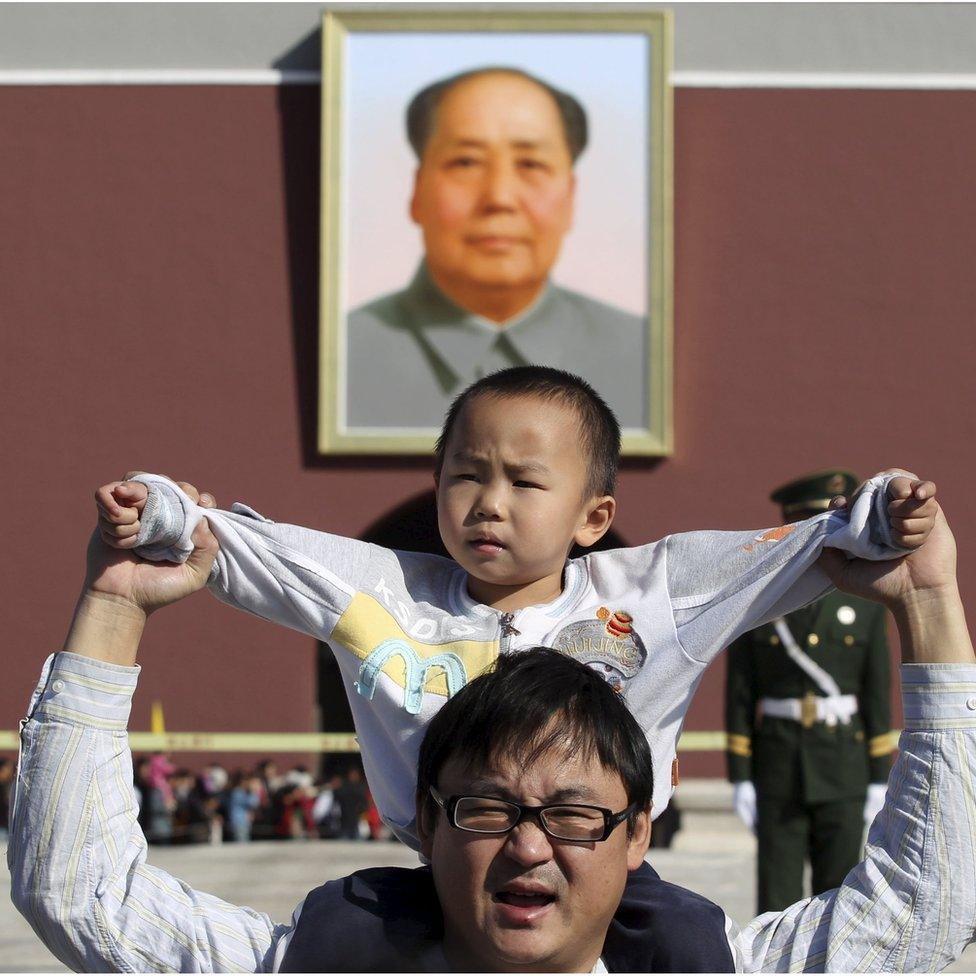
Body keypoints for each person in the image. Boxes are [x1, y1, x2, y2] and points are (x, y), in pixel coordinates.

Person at [91, 367, 934, 948]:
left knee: (690, 941)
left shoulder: (653, 593)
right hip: (437, 878)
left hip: (602, 883)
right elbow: (244, 546)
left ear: (593, 516)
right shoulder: (380, 592)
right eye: (466, 475)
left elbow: (795, 549)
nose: (488, 503)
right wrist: (159, 513)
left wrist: (878, 520)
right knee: (337, 932)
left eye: (525, 484)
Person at [8, 498, 976, 971]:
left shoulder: (700, 966)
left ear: (638, 834)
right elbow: (80, 892)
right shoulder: (328, 962)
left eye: (571, 814)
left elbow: (928, 914)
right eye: (486, 805)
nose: (526, 843)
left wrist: (929, 610)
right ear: (422, 825)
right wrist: (113, 606)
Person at [346, 68, 648, 430]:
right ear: (416, 190)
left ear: (570, 198)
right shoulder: (343, 354)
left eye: (531, 164)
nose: (500, 197)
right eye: (466, 162)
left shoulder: (644, 355)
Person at [726, 469, 895, 913]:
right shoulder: (761, 603)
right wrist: (741, 776)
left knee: (838, 896)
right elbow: (741, 695)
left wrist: (880, 776)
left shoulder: (864, 603)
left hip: (843, 766)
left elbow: (876, 694)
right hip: (778, 765)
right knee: (777, 898)